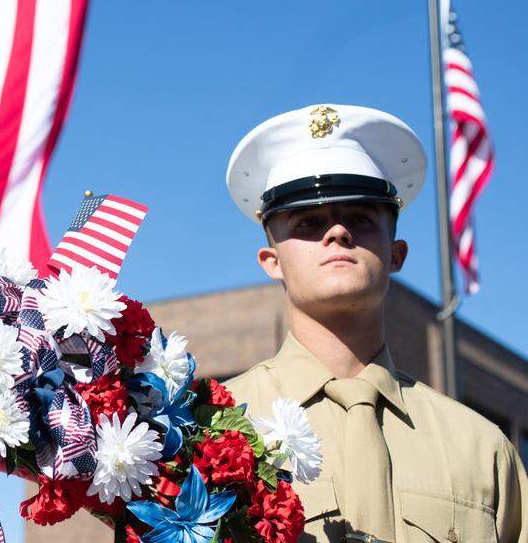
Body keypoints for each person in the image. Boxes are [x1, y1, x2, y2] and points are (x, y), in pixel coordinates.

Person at [223, 104, 526, 543]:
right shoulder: (211, 426)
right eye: (308, 223)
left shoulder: (482, 449)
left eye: (362, 220)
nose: (338, 233)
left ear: (396, 254)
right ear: (272, 262)